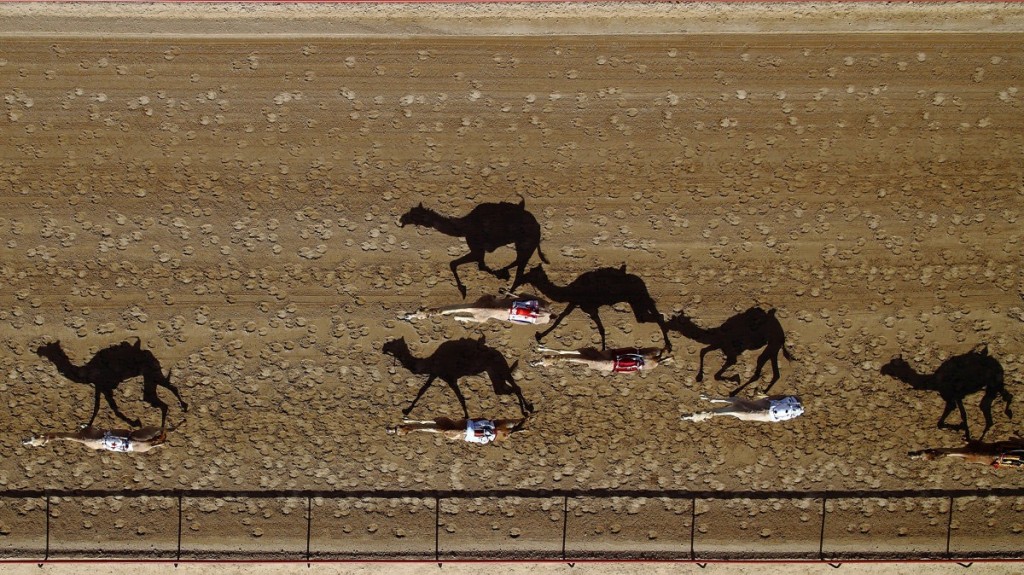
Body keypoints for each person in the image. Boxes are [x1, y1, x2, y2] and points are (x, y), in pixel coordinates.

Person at [23, 424, 168, 453]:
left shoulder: (142, 447)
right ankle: (38, 440)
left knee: (65, 436)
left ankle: (38, 440)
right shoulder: (143, 448)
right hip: (99, 442)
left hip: (99, 440)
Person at [386, 416, 527, 445]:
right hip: (466, 428)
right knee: (436, 424)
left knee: (434, 427)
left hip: (465, 431)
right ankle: (410, 424)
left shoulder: (492, 433)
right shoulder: (492, 429)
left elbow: (500, 430)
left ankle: (409, 426)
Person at [681, 394, 804, 422]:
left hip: (765, 409)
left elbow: (772, 398)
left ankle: (712, 399)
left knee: (735, 401)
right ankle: (694, 416)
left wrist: (765, 397)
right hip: (765, 414)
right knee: (718, 412)